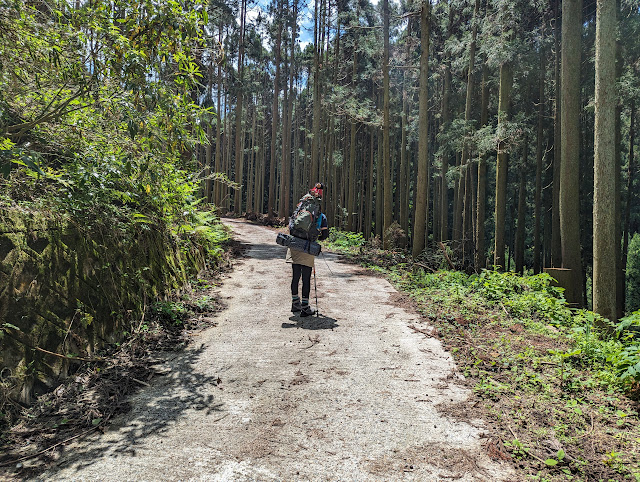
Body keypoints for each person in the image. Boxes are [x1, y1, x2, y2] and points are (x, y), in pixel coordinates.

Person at [288, 183, 329, 317]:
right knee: (306, 278)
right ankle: (305, 307)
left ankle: (295, 304)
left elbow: (291, 225)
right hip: (308, 246)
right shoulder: (321, 216)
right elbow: (325, 235)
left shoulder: (299, 210)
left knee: (295, 276)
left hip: (294, 244)